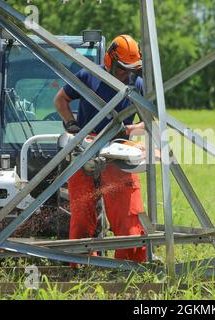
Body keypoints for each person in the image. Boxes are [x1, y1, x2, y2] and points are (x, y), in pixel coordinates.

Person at [54, 34, 147, 262]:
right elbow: (60, 100)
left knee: (128, 219)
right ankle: (83, 264)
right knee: (81, 218)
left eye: (132, 69)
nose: (127, 74)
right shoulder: (88, 76)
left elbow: (150, 121)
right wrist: (71, 124)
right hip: (85, 149)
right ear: (110, 61)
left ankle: (128, 268)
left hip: (120, 150)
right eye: (123, 68)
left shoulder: (138, 84)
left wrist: (128, 129)